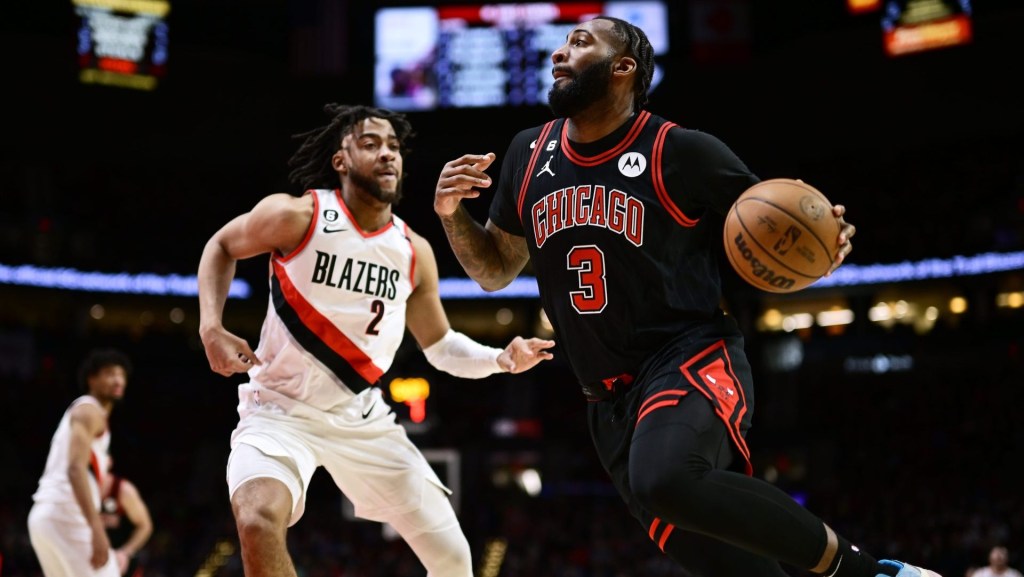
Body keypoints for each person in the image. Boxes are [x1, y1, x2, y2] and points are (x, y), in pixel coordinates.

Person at [433, 15, 942, 577]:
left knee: (665, 479)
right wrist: (452, 214)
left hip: (687, 357)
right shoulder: (529, 152)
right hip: (605, 402)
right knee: (729, 566)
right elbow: (495, 271)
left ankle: (878, 574)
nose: (558, 53)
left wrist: (827, 234)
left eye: (579, 42)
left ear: (622, 67)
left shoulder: (679, 150)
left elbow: (781, 220)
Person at [197, 103, 555, 577]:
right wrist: (211, 326)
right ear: (341, 160)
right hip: (279, 411)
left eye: (394, 146)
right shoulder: (296, 215)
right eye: (370, 144)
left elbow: (441, 347)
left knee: (454, 558)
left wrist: (501, 358)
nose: (387, 154)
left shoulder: (413, 251)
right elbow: (221, 245)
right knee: (257, 520)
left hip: (362, 419)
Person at [28, 348, 133, 577]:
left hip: (45, 515)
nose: (118, 380)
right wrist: (96, 528)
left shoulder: (89, 415)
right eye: (110, 373)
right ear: (91, 380)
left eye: (121, 374)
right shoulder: (88, 411)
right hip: (66, 513)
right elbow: (75, 469)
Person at [99, 459, 153, 577]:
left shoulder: (123, 491)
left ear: (108, 462)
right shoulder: (75, 489)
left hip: (121, 565)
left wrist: (126, 552)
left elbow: (145, 526)